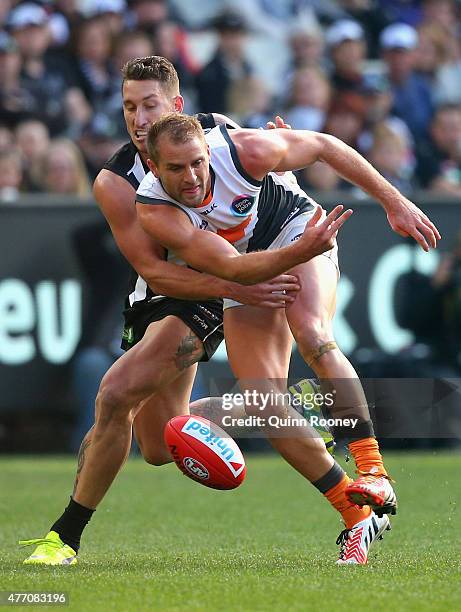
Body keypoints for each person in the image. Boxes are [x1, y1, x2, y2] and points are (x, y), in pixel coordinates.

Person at [19, 56, 308, 566]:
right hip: (172, 289)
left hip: (214, 282)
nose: (137, 116)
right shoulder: (115, 182)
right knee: (159, 444)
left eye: (148, 104)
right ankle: (273, 408)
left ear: (175, 105)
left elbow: (263, 163)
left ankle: (63, 538)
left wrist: (240, 280)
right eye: (129, 106)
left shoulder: (213, 132)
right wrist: (234, 282)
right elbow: (155, 274)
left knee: (114, 394)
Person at [133, 112, 440, 557]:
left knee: (313, 336)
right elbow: (231, 269)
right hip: (244, 270)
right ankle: (358, 515)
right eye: (176, 168)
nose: (193, 177)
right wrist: (267, 268)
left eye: (197, 162)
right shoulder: (154, 209)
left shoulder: (247, 151)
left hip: (296, 230)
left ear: (208, 151)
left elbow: (325, 145)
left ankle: (374, 471)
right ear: (155, 169)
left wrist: (395, 202)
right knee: (263, 401)